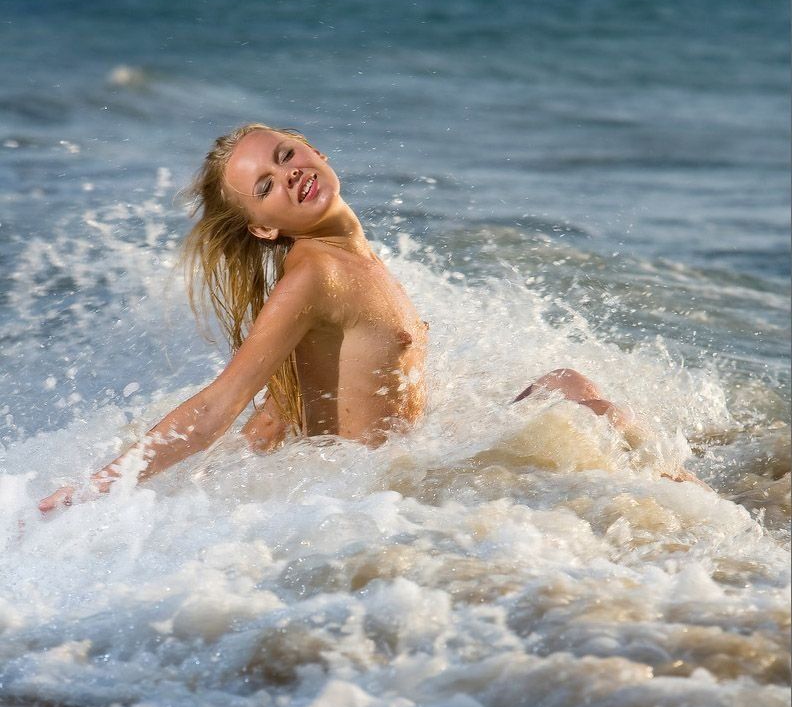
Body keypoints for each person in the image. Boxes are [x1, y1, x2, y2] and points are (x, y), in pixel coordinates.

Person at [38, 122, 692, 514]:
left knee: (565, 383)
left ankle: (689, 492)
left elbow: (286, 402)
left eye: (287, 155)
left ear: (315, 149)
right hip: (383, 495)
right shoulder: (316, 274)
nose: (288, 175)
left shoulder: (348, 259)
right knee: (586, 401)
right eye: (265, 185)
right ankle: (696, 505)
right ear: (263, 227)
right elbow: (218, 403)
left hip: (394, 473)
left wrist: (255, 452)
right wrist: (99, 488)